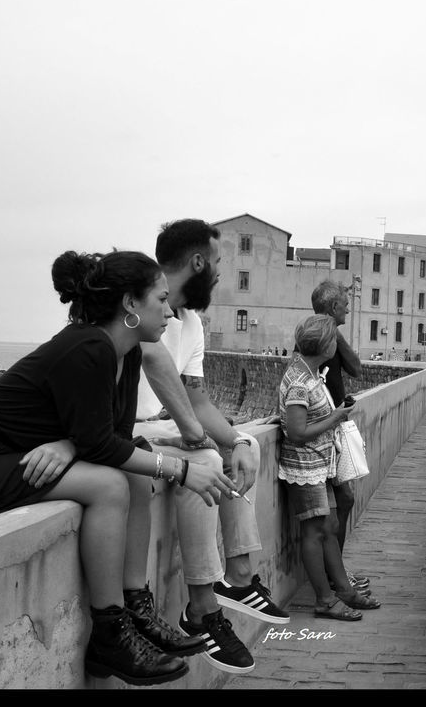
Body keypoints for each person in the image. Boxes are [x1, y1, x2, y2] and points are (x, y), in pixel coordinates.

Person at [0, 249, 237, 686]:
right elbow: (104, 446)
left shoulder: (129, 350)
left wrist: (71, 443)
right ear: (130, 304)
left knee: (136, 474)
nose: (169, 313)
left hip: (11, 453)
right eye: (161, 300)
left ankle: (137, 609)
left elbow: (115, 436)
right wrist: (179, 469)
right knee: (108, 486)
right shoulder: (89, 346)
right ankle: (109, 632)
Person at [133, 219, 289, 675]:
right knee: (203, 458)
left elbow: (196, 398)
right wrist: (194, 434)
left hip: (167, 428)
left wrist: (237, 438)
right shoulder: (136, 304)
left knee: (244, 450)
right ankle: (202, 607)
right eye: (218, 263)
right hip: (131, 430)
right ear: (198, 262)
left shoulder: (191, 321)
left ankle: (238, 577)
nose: (220, 274)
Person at [278, 315, 378, 622]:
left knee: (328, 529)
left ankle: (344, 590)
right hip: (304, 466)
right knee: (314, 532)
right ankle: (324, 599)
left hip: (319, 464)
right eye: (334, 339)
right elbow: (296, 432)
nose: (337, 343)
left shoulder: (309, 373)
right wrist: (336, 416)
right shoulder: (299, 381)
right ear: (325, 344)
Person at [310, 279, 374, 597]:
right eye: (344, 305)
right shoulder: (316, 339)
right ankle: (336, 577)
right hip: (321, 432)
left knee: (342, 502)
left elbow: (356, 368)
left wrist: (335, 330)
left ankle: (336, 573)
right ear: (333, 307)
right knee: (341, 502)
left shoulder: (329, 337)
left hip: (332, 428)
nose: (348, 307)